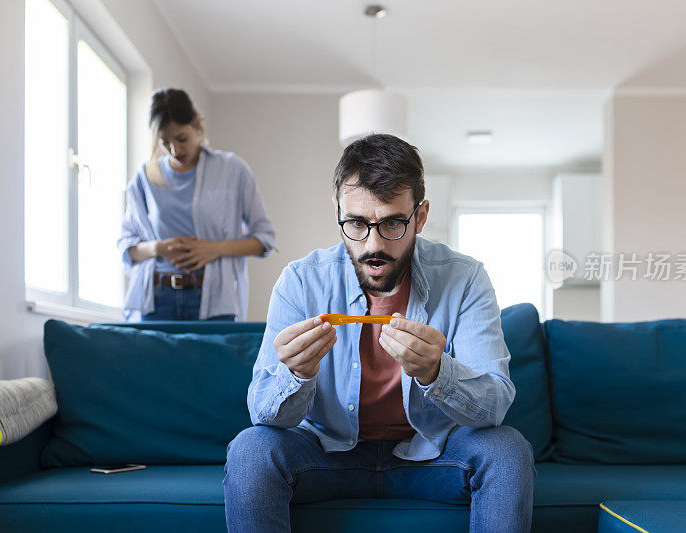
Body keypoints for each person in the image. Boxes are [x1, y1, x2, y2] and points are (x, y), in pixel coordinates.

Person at [223, 134, 535, 532]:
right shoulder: (301, 282)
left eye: (392, 223)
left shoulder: (465, 278)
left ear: (420, 217)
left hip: (434, 456)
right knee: (251, 450)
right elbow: (263, 414)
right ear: (337, 212)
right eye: (356, 223)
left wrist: (438, 373)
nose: (373, 245)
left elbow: (495, 406)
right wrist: (295, 376)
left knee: (507, 449)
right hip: (327, 456)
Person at [117, 88, 276, 321]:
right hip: (156, 300)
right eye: (165, 142)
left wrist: (214, 249)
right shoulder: (144, 178)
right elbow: (126, 247)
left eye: (181, 139)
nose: (175, 150)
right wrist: (158, 248)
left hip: (215, 300)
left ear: (197, 124)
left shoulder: (233, 170)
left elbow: (264, 240)